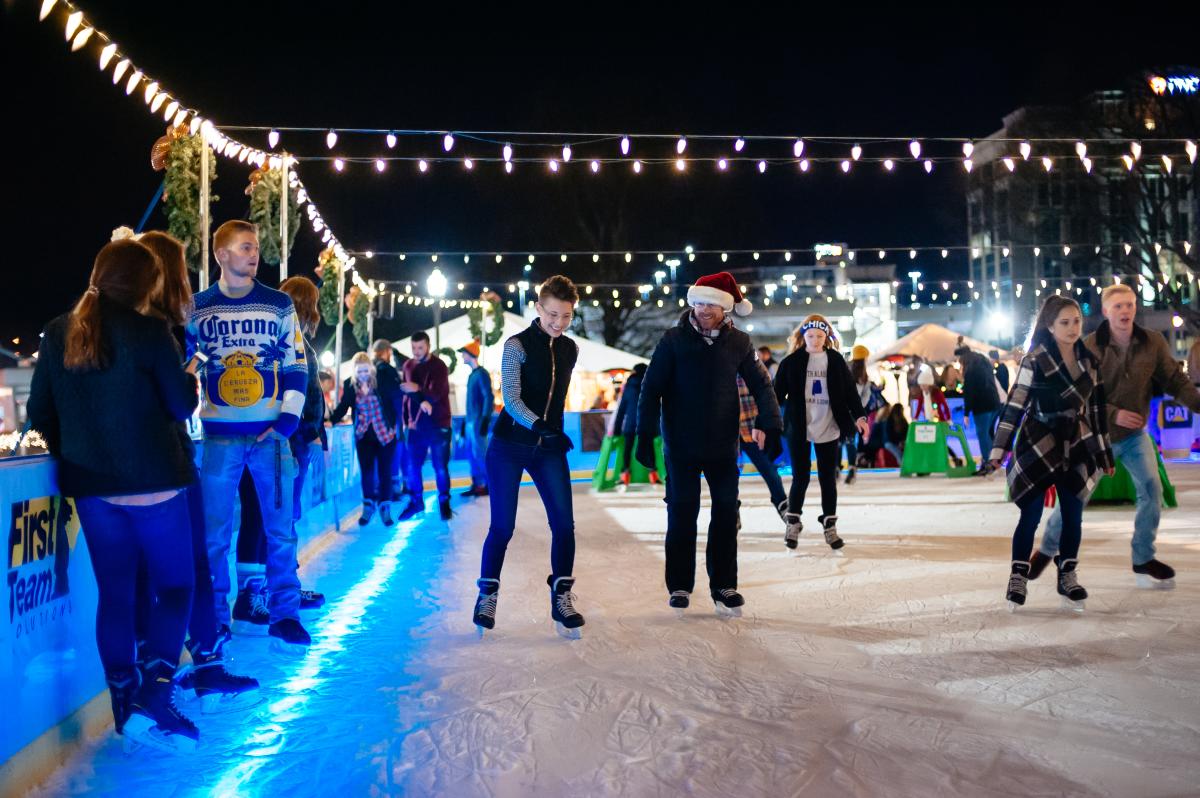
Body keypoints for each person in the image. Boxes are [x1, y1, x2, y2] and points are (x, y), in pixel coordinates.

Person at [28, 238, 202, 752]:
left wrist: (77, 453)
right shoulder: (150, 332)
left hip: (93, 490)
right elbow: (179, 407)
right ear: (147, 285)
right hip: (152, 484)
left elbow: (41, 411)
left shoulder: (60, 331)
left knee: (117, 595)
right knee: (175, 589)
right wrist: (190, 379)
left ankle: (124, 700)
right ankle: (155, 694)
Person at [137, 230, 260, 713]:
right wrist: (194, 369)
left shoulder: (149, 327)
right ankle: (172, 678)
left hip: (145, 470)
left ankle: (187, 669)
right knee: (188, 573)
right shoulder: (159, 331)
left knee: (180, 574)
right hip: (164, 467)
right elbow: (178, 399)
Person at [185, 220, 310, 652]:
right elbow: (188, 361)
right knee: (214, 534)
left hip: (270, 437)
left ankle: (285, 614)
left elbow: (297, 365)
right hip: (219, 438)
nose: (254, 254)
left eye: (255, 247)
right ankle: (216, 620)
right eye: (244, 247)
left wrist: (286, 424)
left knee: (281, 529)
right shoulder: (199, 308)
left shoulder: (277, 304)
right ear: (221, 255)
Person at [1031, 283, 1200, 589]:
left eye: (1130, 305)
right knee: (1075, 497)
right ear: (1106, 311)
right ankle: (1046, 550)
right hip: (1095, 435)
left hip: (1135, 436)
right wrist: (1113, 413)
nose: (1125, 311)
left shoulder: (1153, 342)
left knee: (1152, 489)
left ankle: (1143, 558)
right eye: (1118, 306)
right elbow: (1078, 395)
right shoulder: (1090, 346)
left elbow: (1174, 380)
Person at [636, 272, 782, 617]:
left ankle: (724, 585)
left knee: (726, 512)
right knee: (682, 512)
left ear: (725, 308)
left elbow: (762, 385)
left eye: (711, 304)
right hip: (681, 444)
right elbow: (651, 389)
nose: (704, 309)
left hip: (722, 444)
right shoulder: (672, 340)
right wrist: (644, 435)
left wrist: (770, 425)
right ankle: (680, 585)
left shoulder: (739, 343)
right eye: (699, 301)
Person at [473, 276, 586, 638]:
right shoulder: (516, 345)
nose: (559, 322)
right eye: (553, 313)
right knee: (503, 526)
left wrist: (551, 431)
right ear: (538, 308)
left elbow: (558, 396)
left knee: (564, 525)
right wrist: (542, 426)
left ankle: (562, 596)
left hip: (547, 447)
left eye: (566, 315)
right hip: (508, 446)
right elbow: (512, 398)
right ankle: (487, 594)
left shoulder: (570, 349)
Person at [988, 296, 1114, 611]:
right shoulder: (1035, 360)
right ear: (1049, 325)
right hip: (1038, 442)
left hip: (1077, 443)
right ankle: (1018, 576)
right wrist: (998, 449)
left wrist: (1104, 455)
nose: (1073, 328)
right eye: (1065, 322)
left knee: (1073, 515)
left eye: (1076, 322)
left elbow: (1097, 414)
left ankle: (1067, 574)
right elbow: (1015, 404)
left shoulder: (1090, 362)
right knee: (1030, 515)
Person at [233, 277, 331, 624]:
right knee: (266, 519)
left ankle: (280, 587)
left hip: (286, 441)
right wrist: (307, 432)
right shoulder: (285, 340)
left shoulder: (289, 339)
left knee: (277, 520)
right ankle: (254, 595)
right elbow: (301, 394)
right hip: (281, 442)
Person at [773, 315, 870, 551]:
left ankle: (830, 526)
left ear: (826, 336)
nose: (815, 340)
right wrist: (765, 423)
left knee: (828, 478)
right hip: (799, 427)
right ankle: (793, 522)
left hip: (829, 425)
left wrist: (860, 416)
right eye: (810, 336)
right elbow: (775, 395)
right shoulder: (792, 362)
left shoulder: (835, 361)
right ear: (803, 336)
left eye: (819, 336)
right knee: (801, 477)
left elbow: (850, 393)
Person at [331, 353, 400, 526]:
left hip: (385, 434)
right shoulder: (349, 385)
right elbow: (342, 407)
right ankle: (368, 506)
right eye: (359, 371)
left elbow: (394, 400)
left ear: (371, 368)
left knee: (385, 472)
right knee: (367, 473)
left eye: (365, 370)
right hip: (364, 436)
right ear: (354, 371)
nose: (363, 373)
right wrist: (329, 421)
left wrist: (398, 424)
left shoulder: (381, 380)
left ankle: (385, 507)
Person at [398, 331, 454, 520]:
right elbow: (407, 396)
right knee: (413, 467)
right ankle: (416, 501)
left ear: (428, 346)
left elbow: (437, 393)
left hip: (438, 424)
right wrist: (406, 420)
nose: (417, 351)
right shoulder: (407, 366)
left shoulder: (439, 366)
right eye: (414, 348)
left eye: (420, 347)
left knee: (440, 467)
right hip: (416, 427)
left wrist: (418, 390)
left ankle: (444, 501)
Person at [736, 363, 789, 527]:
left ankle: (783, 505)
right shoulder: (716, 364)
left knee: (769, 470)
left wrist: (769, 424)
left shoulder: (754, 365)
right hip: (726, 431)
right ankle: (731, 511)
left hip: (753, 428)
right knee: (728, 476)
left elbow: (768, 395)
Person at [956, 340, 1003, 476]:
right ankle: (993, 463)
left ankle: (988, 464)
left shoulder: (970, 369)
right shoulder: (983, 361)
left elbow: (969, 392)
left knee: (983, 435)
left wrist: (966, 413)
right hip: (994, 403)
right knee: (988, 434)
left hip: (982, 407)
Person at [373, 338, 409, 503]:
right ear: (386, 351)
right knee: (393, 455)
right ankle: (392, 489)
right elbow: (396, 395)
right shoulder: (387, 370)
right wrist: (399, 421)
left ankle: (379, 489)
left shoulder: (369, 369)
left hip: (374, 421)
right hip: (390, 419)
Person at [459, 339, 494, 497]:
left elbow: (488, 396)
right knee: (472, 454)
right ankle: (477, 483)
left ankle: (487, 484)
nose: (462, 357)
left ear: (471, 355)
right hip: (471, 421)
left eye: (464, 354)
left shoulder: (481, 374)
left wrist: (486, 418)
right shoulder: (472, 375)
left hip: (478, 421)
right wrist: (465, 423)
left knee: (480, 453)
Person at [612, 363, 648, 486]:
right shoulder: (649, 384)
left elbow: (621, 410)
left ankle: (626, 475)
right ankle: (654, 474)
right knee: (649, 448)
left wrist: (617, 430)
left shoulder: (629, 387)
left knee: (627, 450)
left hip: (631, 425)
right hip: (647, 424)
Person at [844, 344, 874, 484]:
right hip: (854, 413)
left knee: (837, 440)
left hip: (841, 410)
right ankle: (851, 466)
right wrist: (858, 410)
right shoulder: (864, 377)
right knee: (850, 440)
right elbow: (866, 397)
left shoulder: (844, 369)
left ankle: (836, 468)